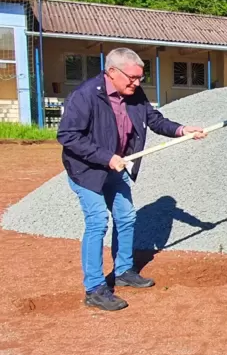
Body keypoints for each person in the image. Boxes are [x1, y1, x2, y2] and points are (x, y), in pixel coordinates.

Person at [57, 47, 207, 311]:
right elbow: (68, 136)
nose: (137, 83)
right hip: (86, 170)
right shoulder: (84, 96)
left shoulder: (134, 93)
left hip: (116, 168)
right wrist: (106, 156)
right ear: (112, 72)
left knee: (126, 217)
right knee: (97, 222)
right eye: (132, 78)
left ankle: (124, 270)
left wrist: (182, 129)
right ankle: (94, 289)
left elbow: (154, 120)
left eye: (140, 78)